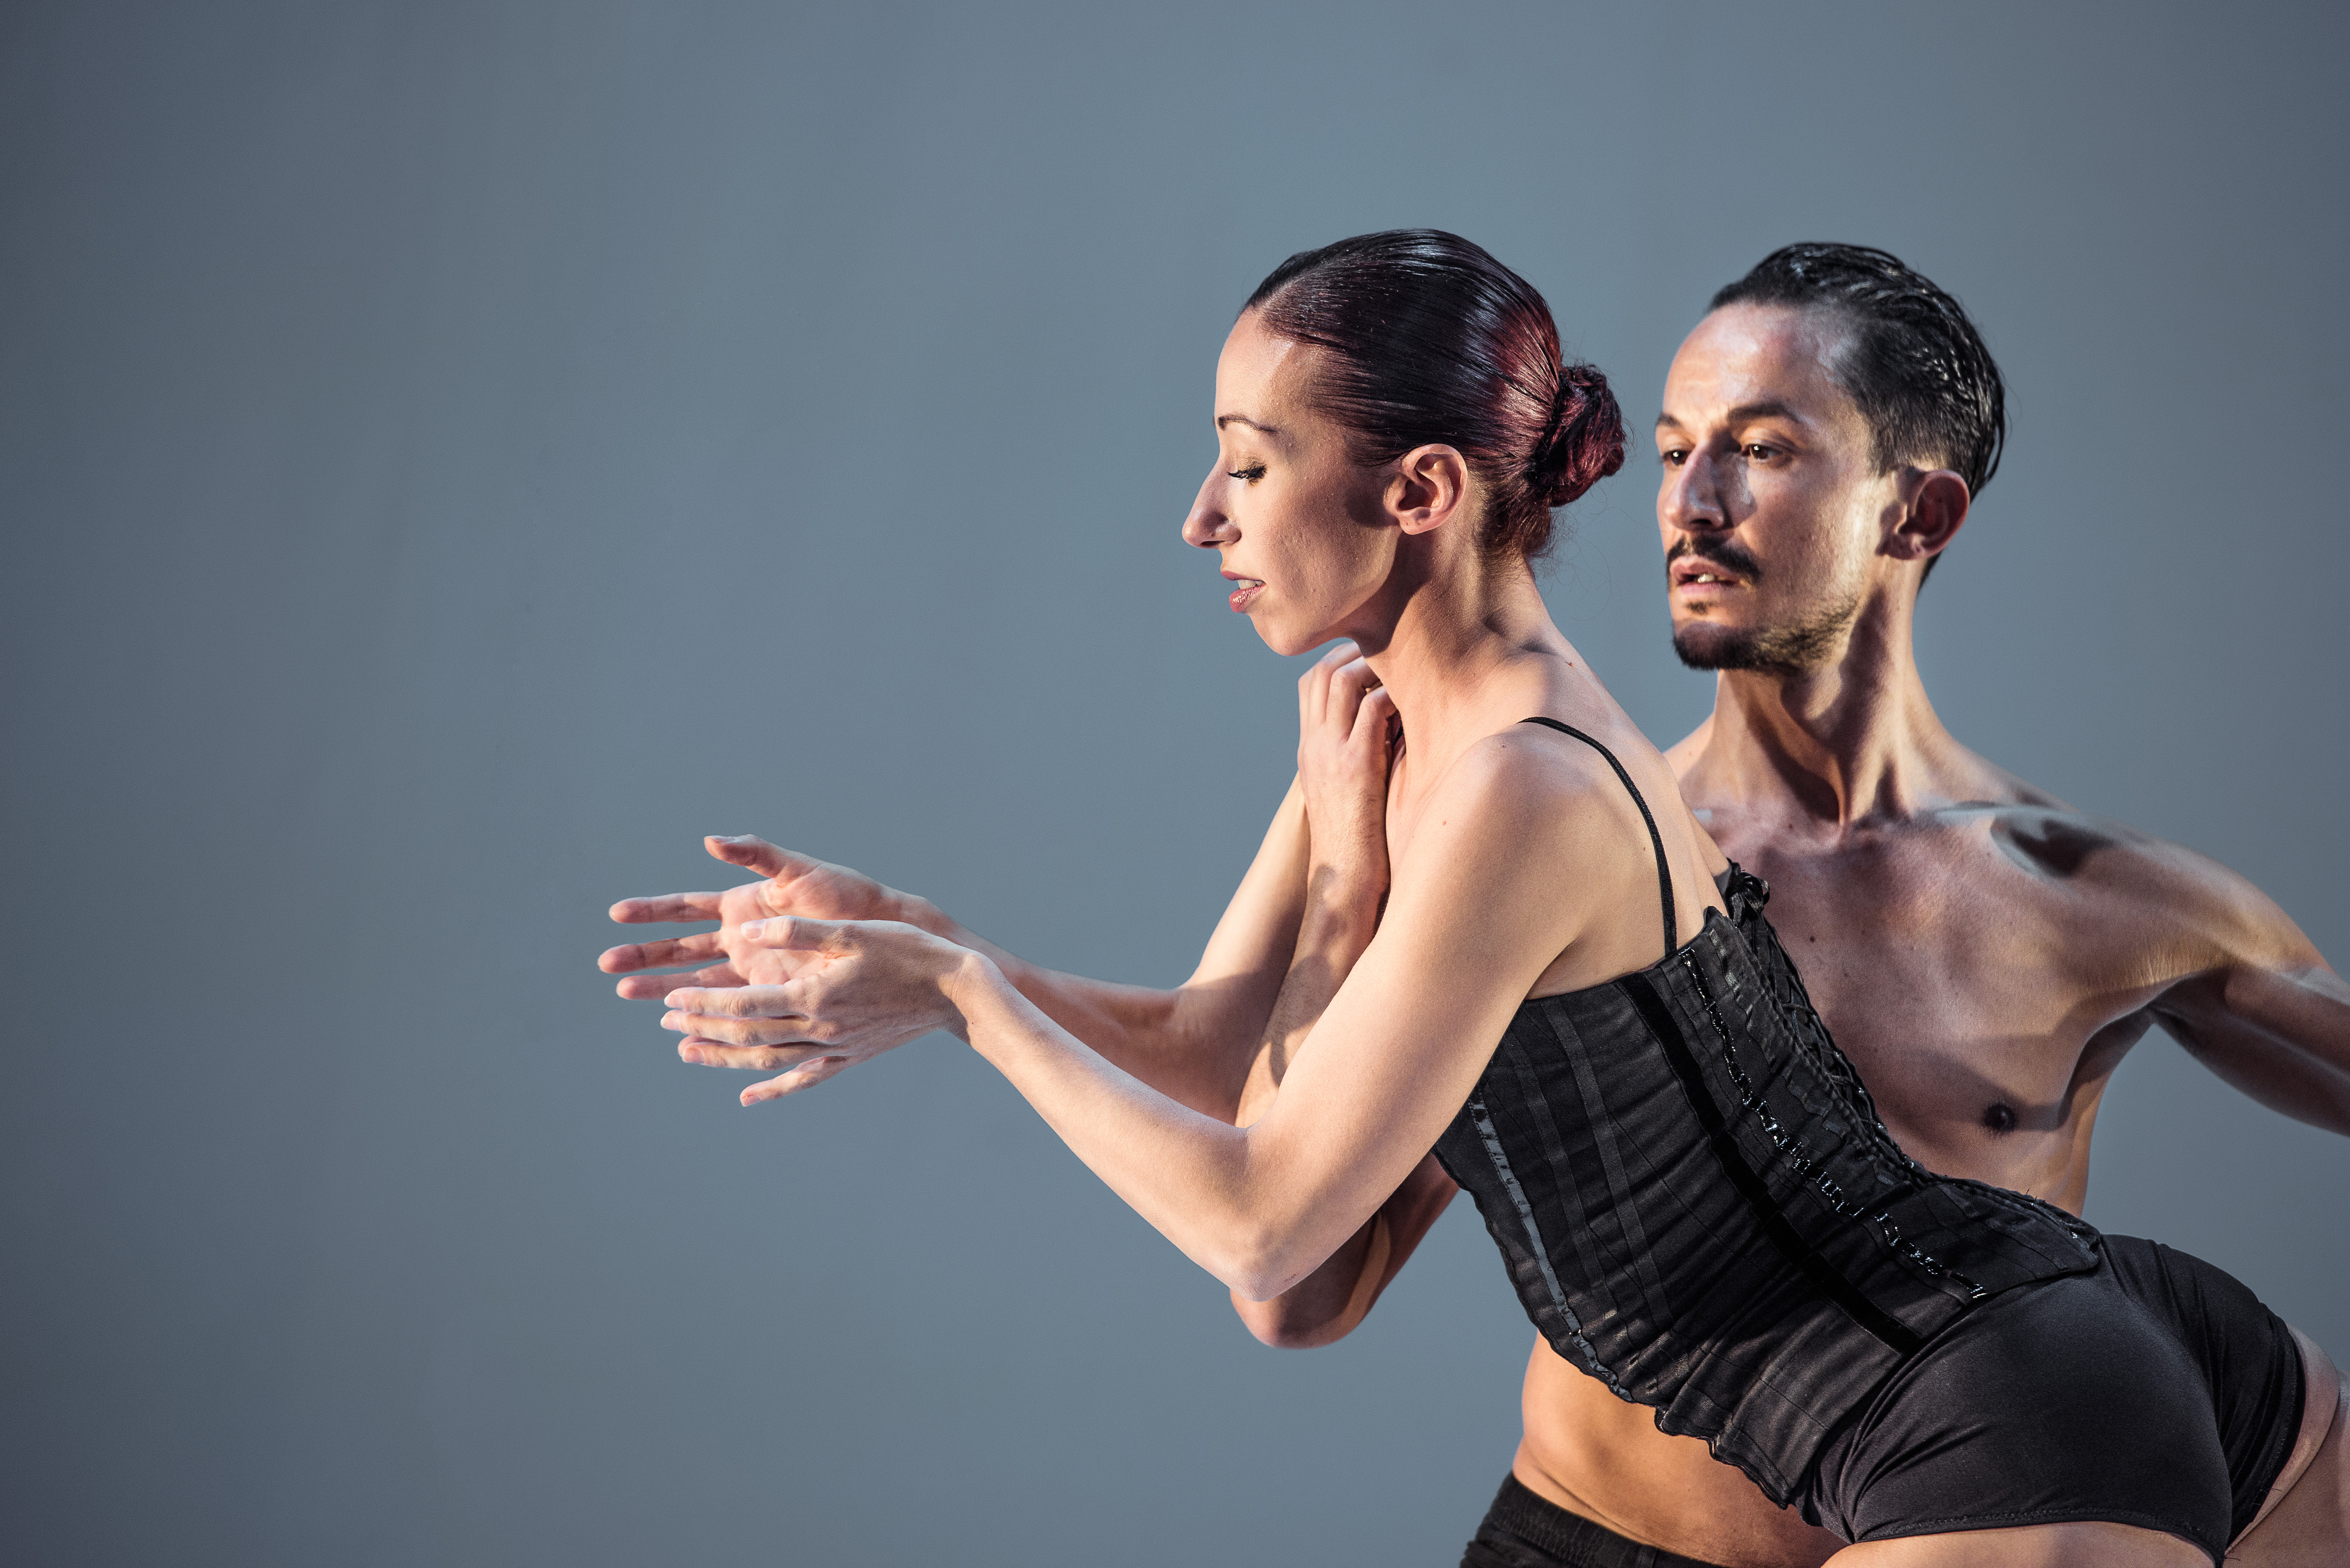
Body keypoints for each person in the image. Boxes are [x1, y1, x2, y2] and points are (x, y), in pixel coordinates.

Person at [599, 232, 2338, 1565]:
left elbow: (1266, 1224)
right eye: (1678, 448)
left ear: (1422, 489)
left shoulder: (1532, 787)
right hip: (1716, 1465)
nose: (1202, 517)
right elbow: (1221, 1081)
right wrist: (925, 941)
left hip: (2004, 1411)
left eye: (1247, 463)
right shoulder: (1381, 733)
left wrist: (965, 1001)